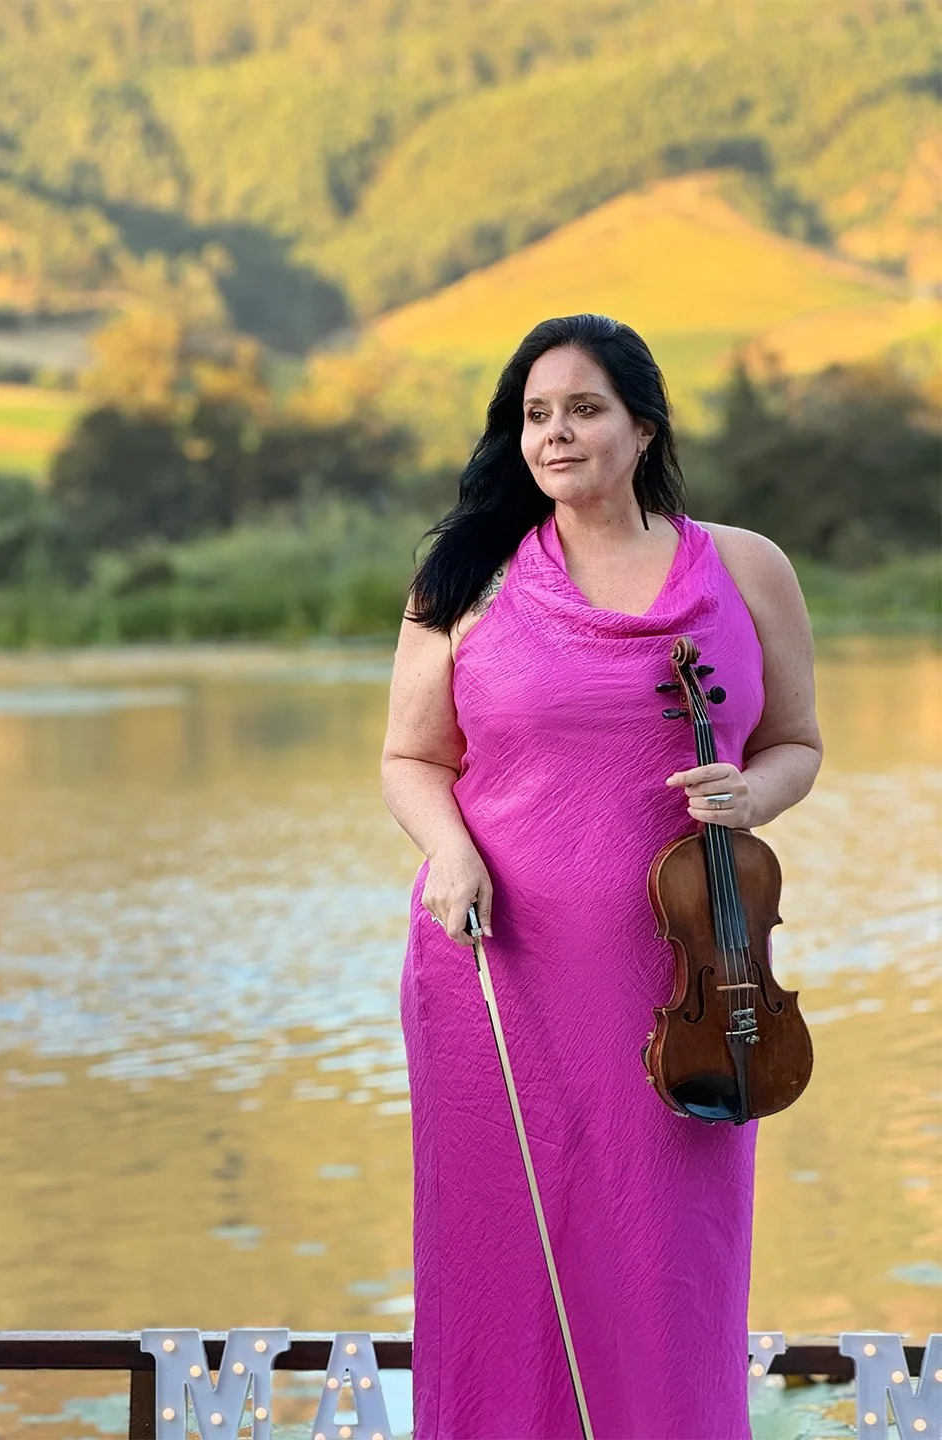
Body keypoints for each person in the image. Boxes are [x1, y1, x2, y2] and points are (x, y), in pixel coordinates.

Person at [380, 314, 823, 1440]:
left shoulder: (747, 568)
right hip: (499, 967)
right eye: (535, 414)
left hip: (686, 979)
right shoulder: (465, 576)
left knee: (671, 1268)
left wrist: (753, 796)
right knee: (504, 1264)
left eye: (583, 409)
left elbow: (796, 742)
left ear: (642, 426)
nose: (555, 434)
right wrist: (450, 849)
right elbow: (411, 759)